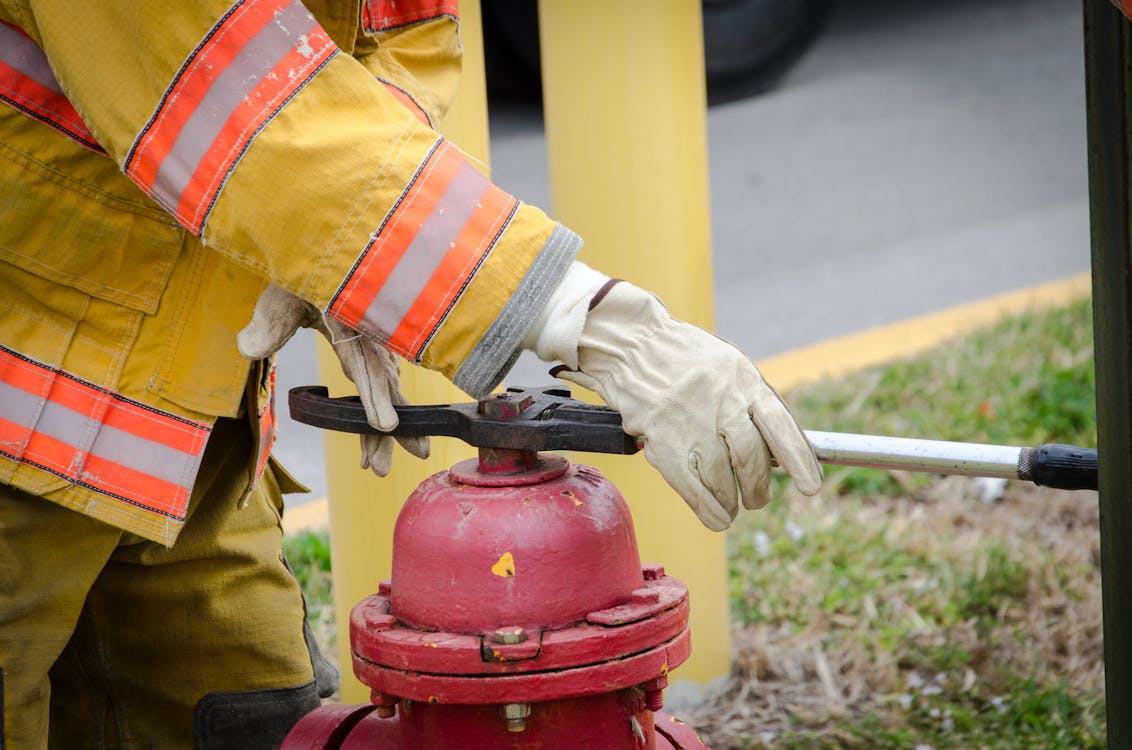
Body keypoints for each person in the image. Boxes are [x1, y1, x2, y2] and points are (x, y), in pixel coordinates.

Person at [0, 1, 822, 747]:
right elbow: (222, 89)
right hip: (21, 363)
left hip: (168, 403)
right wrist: (599, 324)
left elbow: (406, 29)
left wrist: (333, 251)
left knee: (245, 712)